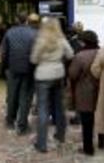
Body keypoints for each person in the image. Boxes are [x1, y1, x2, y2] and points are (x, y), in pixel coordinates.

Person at [31, 17, 74, 153]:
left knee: (43, 109)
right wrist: (58, 59)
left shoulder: (41, 40)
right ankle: (60, 135)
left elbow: (33, 59)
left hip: (43, 76)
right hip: (58, 75)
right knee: (59, 107)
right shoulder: (61, 40)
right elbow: (71, 54)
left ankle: (42, 144)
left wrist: (43, 61)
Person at [1, 12, 39, 134]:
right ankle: (22, 125)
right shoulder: (34, 33)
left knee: (12, 96)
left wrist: (5, 68)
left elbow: (4, 53)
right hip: (29, 70)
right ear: (27, 20)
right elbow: (36, 53)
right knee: (26, 98)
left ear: (17, 20)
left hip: (13, 70)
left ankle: (10, 121)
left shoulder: (9, 32)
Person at [69, 30, 100, 155]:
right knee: (102, 118)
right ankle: (103, 143)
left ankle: (88, 148)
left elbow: (72, 74)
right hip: (100, 89)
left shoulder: (80, 56)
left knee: (87, 122)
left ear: (83, 41)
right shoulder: (101, 52)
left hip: (85, 91)